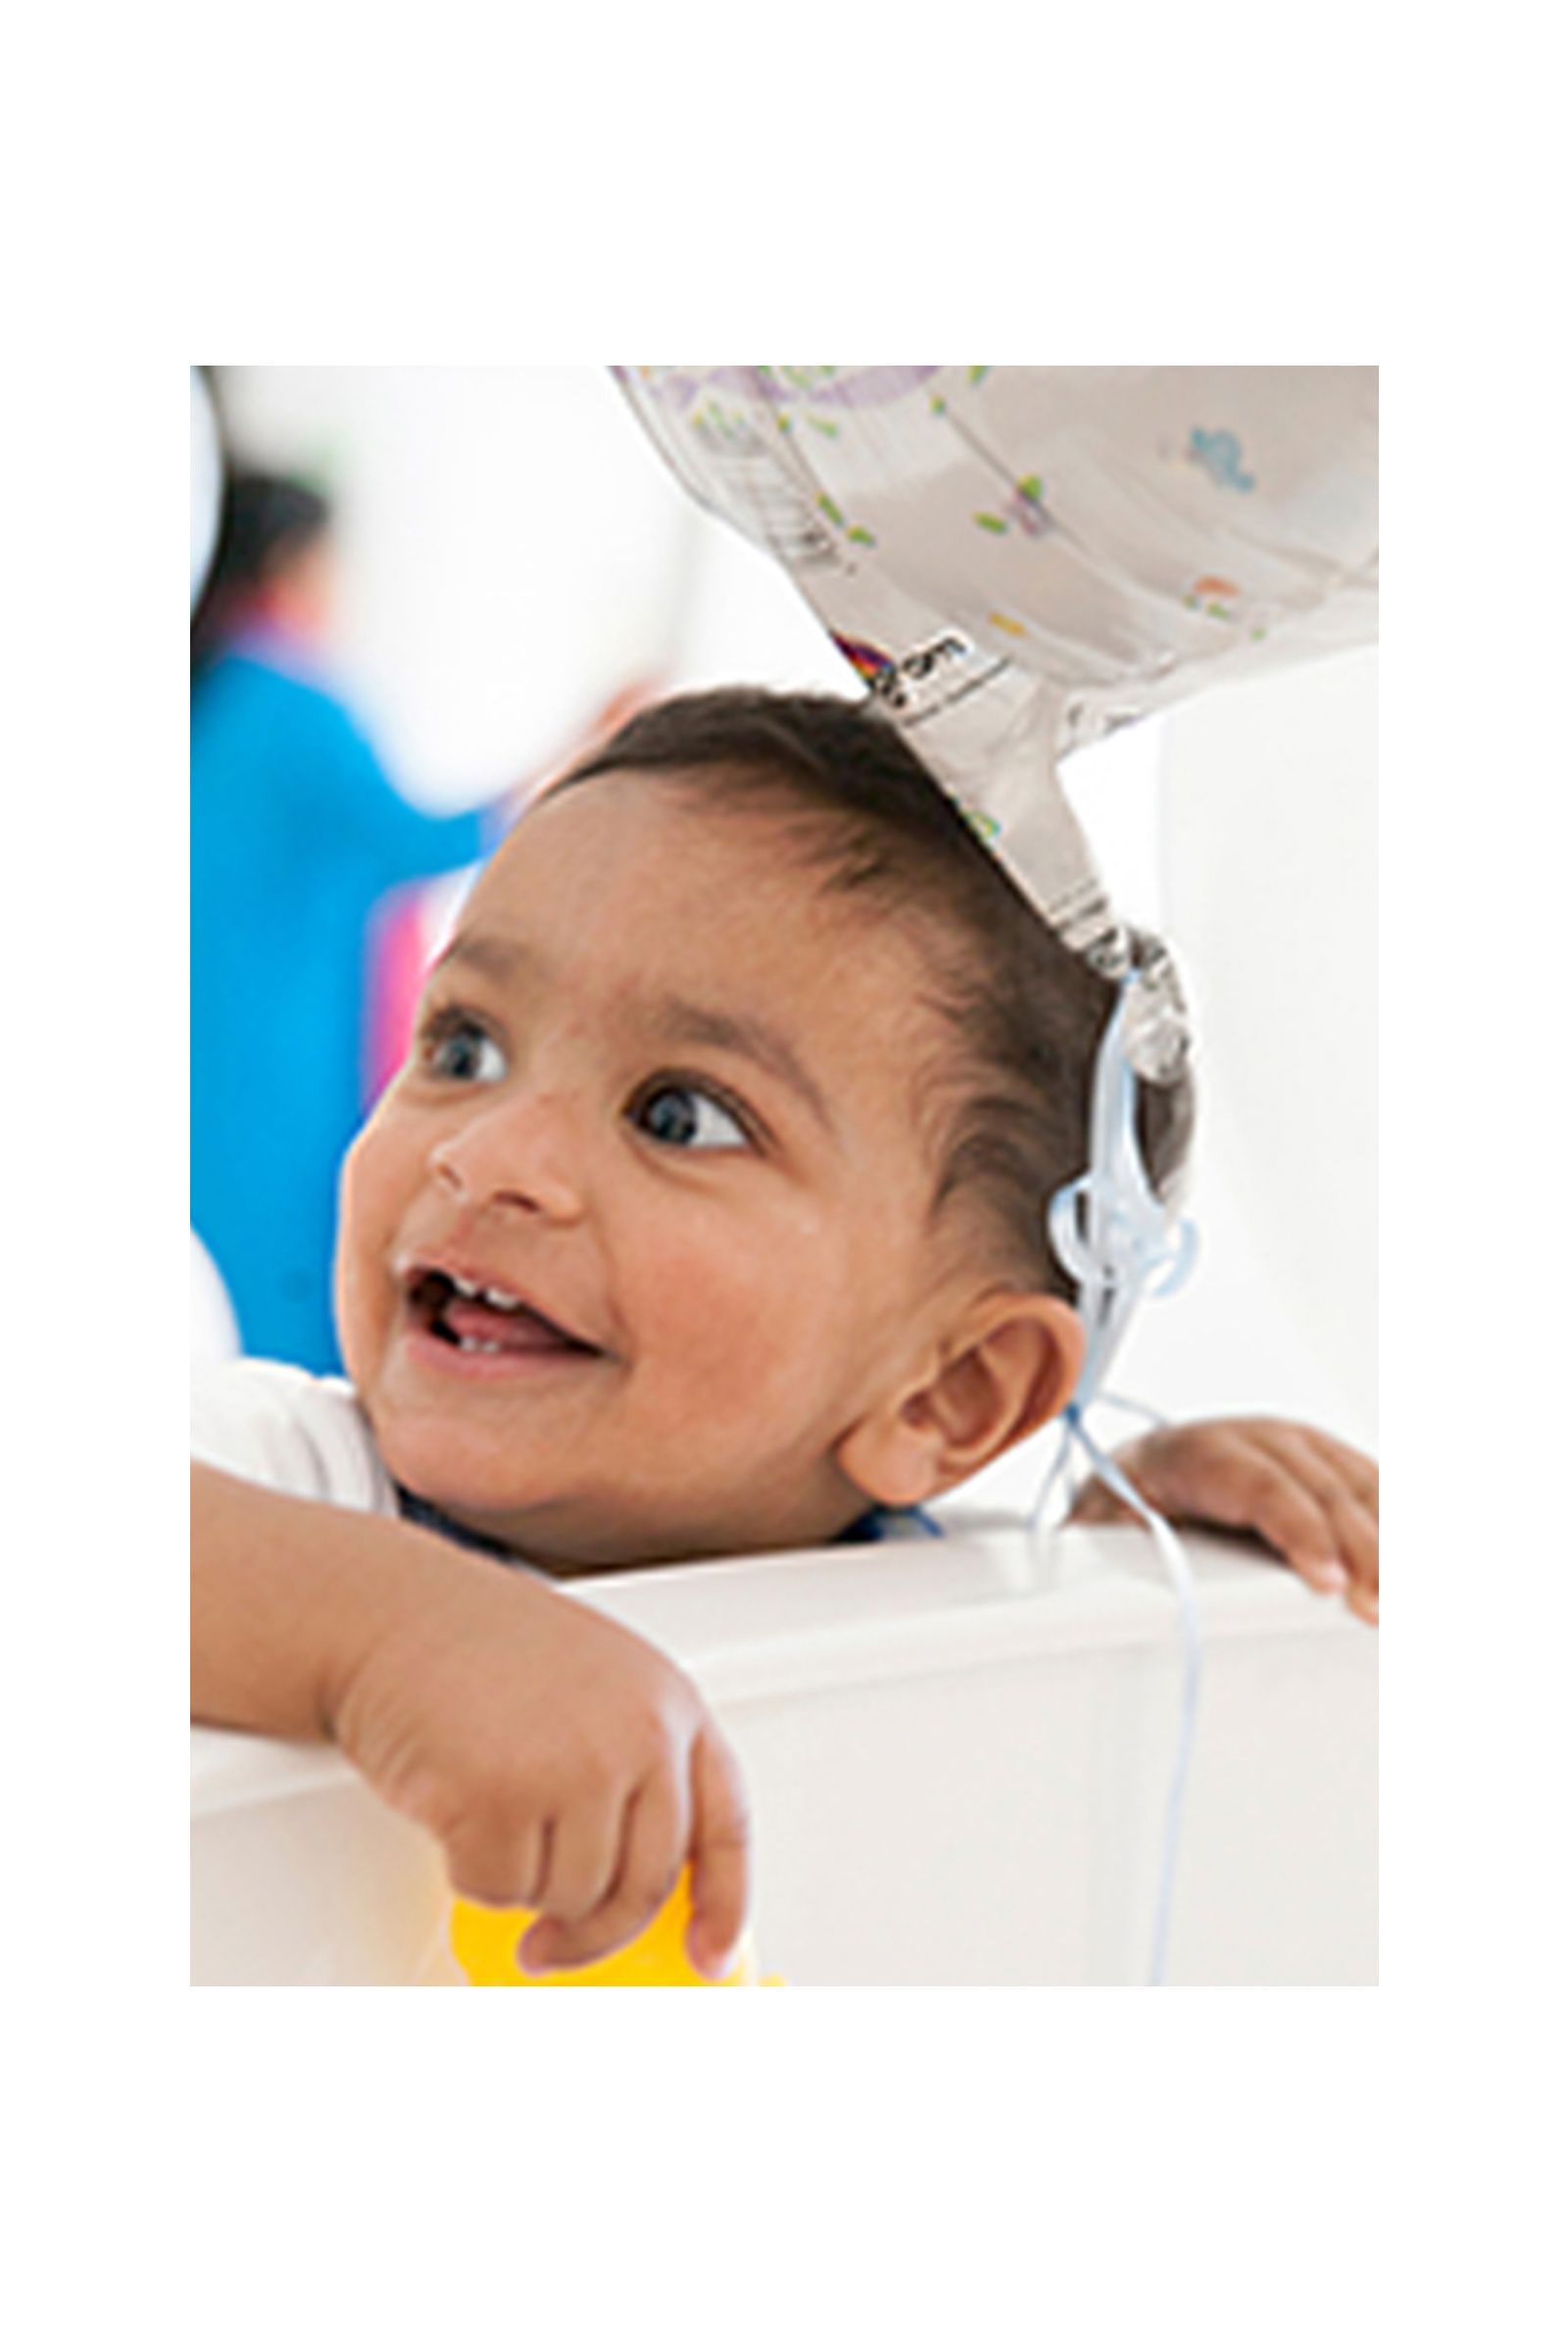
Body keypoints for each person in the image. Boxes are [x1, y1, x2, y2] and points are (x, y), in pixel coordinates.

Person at [192, 687, 1378, 1981]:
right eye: (465, 1046)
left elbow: (975, 1774)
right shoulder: (292, 1489)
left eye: (680, 1116)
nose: (488, 1157)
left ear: (952, 1399)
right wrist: (389, 1637)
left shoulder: (900, 1583)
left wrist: (1107, 1561)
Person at [191, 468, 509, 1373]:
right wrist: (583, 754)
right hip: (285, 1050)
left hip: (207, 1041)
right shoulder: (295, 702)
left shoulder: (206, 691)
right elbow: (425, 841)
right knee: (293, 1271)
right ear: (295, 563)